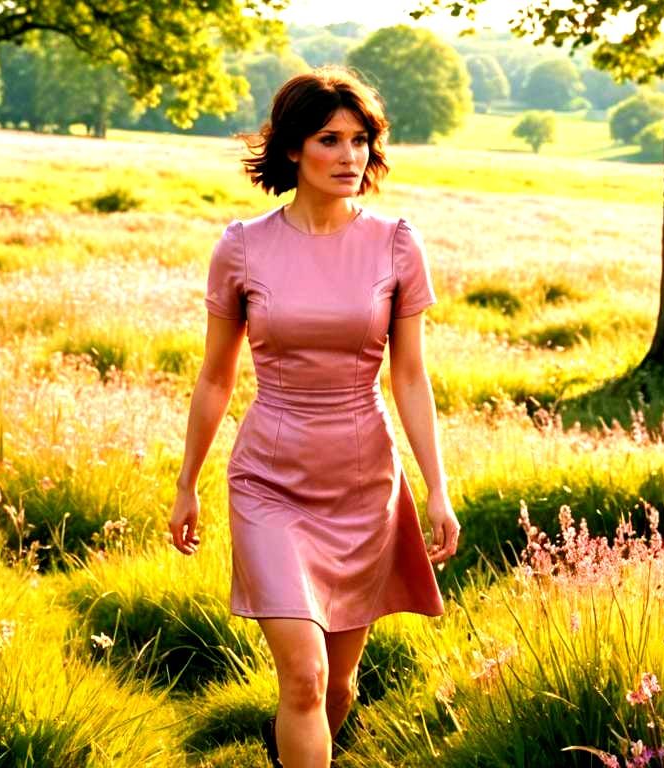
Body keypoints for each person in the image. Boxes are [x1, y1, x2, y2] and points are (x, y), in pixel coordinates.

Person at [169, 66, 460, 768]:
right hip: (268, 480)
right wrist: (187, 483)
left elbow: (411, 376)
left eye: (361, 140)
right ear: (293, 149)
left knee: (338, 687)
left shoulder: (397, 243)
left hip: (363, 483)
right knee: (303, 677)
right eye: (330, 139)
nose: (350, 156)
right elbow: (215, 377)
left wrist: (437, 486)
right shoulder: (242, 246)